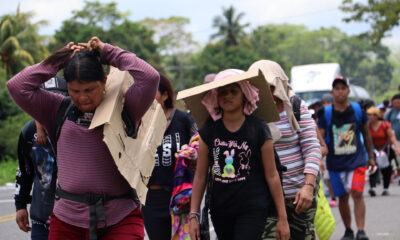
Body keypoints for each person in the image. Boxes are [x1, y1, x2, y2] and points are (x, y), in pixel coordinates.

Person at [7, 36, 160, 240]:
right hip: (67, 219)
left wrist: (107, 51)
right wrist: (59, 59)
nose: (82, 97)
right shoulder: (57, 109)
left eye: (90, 89)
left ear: (104, 82)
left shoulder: (127, 108)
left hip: (120, 216)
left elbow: (150, 77)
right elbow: (17, 86)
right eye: (75, 91)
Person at [189, 69, 290, 240]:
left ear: (244, 94)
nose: (227, 96)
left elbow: (272, 175)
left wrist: (282, 217)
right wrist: (193, 215)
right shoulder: (208, 131)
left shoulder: (259, 129)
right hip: (220, 210)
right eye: (222, 92)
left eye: (233, 91)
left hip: (253, 208)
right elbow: (200, 176)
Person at [249, 60, 321, 240]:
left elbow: (312, 147)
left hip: (298, 194)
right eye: (259, 86)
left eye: (270, 85)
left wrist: (308, 186)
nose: (266, 91)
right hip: (265, 196)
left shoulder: (296, 106)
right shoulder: (248, 112)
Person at [317, 76, 374, 240]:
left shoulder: (358, 110)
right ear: (332, 92)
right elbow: (319, 137)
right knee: (342, 197)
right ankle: (348, 230)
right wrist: (318, 158)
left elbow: (366, 134)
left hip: (357, 161)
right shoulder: (325, 113)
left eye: (343, 88)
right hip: (335, 164)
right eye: (337, 88)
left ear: (348, 91)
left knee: (357, 193)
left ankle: (361, 231)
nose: (340, 91)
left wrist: (370, 157)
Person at [142, 74, 197, 240]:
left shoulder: (184, 120)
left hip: (181, 197)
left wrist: (191, 157)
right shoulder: (140, 123)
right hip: (152, 198)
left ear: (165, 95)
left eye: (153, 93)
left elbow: (199, 148)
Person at [14, 77, 68, 240]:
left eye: (56, 101)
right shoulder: (30, 133)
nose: (50, 108)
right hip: (41, 222)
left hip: (74, 222)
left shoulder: (79, 128)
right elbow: (24, 170)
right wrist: (21, 205)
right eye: (44, 102)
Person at [367, 106, 400, 196]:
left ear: (377, 115)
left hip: (385, 149)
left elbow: (392, 136)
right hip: (373, 149)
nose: (370, 117)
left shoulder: (385, 124)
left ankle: (385, 188)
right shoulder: (367, 125)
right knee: (372, 167)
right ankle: (372, 187)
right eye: (368, 115)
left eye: (372, 115)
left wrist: (396, 147)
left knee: (386, 169)